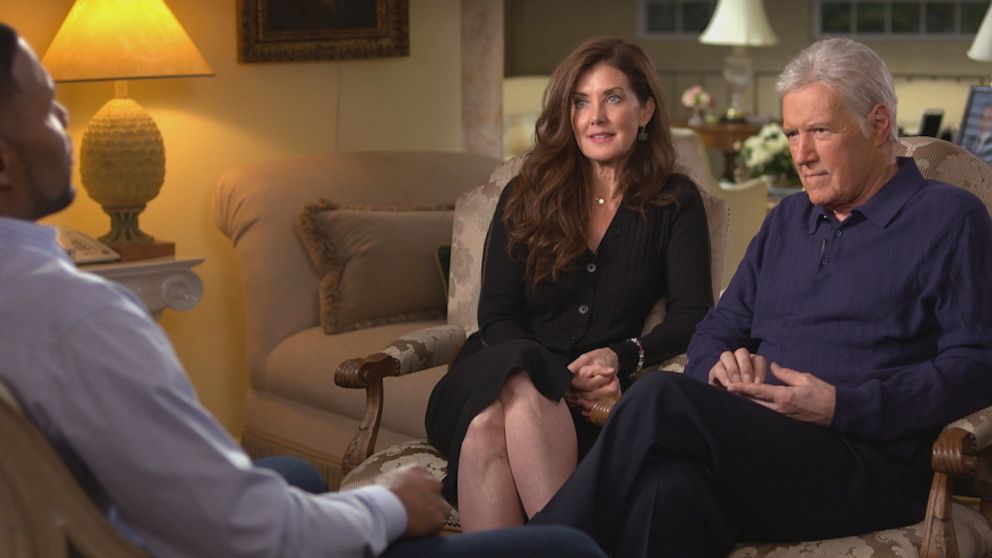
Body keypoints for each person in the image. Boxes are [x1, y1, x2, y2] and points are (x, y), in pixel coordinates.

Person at [0, 23, 607, 558]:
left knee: (294, 473)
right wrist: (390, 505)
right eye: (51, 107)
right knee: (567, 545)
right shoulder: (78, 317)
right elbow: (239, 529)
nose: (64, 125)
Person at [530, 37, 992, 557]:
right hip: (761, 445)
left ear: (878, 124)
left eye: (820, 131)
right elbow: (716, 329)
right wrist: (719, 369)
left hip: (866, 465)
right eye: (792, 133)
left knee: (659, 396)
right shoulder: (788, 220)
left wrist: (841, 405)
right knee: (667, 492)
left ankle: (531, 549)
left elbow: (974, 366)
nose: (802, 154)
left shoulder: (950, 218)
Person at [424, 37, 713, 532]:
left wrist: (619, 356)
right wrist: (558, 372)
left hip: (583, 405)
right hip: (493, 371)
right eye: (581, 102)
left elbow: (694, 316)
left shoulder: (674, 202)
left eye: (613, 99)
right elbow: (496, 313)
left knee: (487, 432)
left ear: (645, 110)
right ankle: (569, 542)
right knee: (521, 372)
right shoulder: (529, 191)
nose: (595, 116)